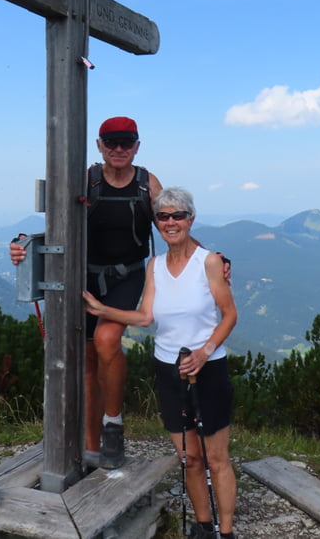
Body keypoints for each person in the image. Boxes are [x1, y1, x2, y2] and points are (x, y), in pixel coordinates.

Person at [83, 187, 239, 539]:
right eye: (163, 216)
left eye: (178, 216)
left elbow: (229, 315)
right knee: (191, 459)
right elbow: (146, 317)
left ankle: (225, 531)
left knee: (216, 458)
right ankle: (203, 527)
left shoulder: (209, 262)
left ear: (191, 220)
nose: (170, 222)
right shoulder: (155, 266)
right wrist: (104, 311)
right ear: (156, 223)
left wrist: (204, 351)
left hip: (207, 369)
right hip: (168, 369)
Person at [10, 116, 160, 470]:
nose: (119, 149)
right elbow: (57, 223)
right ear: (99, 146)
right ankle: (93, 450)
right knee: (88, 364)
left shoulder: (147, 184)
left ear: (137, 146)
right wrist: (21, 246)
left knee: (108, 341)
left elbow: (172, 226)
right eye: (112, 142)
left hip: (127, 277)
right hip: (84, 277)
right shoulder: (86, 180)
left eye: (127, 142)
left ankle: (113, 425)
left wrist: (209, 259)